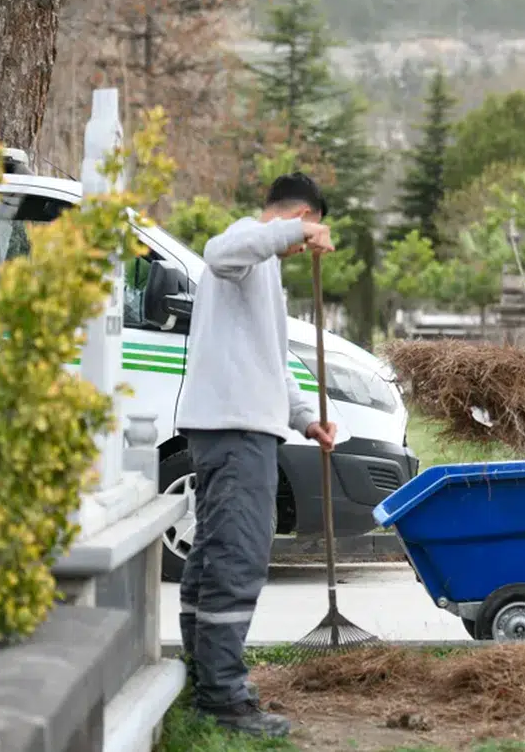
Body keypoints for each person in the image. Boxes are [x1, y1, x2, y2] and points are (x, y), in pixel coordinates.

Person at [174, 172, 339, 738]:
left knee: (213, 558)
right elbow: (219, 251)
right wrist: (294, 229)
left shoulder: (264, 269)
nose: (301, 246)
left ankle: (205, 680)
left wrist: (304, 418)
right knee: (238, 560)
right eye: (304, 230)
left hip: (241, 428)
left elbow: (270, 357)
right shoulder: (245, 243)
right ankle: (224, 697)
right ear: (300, 217)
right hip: (235, 432)